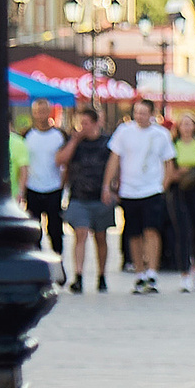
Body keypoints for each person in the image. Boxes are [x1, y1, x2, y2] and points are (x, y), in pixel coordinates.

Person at [109, 97, 174, 296]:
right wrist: (109, 184)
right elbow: (114, 158)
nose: (139, 116)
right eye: (137, 112)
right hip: (129, 190)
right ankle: (139, 272)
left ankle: (152, 271)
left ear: (152, 114)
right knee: (134, 233)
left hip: (152, 189)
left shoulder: (161, 135)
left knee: (152, 230)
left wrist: (163, 186)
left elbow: (169, 162)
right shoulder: (124, 132)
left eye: (143, 113)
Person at [57, 108, 117, 293]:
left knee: (101, 237)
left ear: (96, 123)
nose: (82, 127)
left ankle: (101, 276)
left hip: (101, 197)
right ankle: (79, 275)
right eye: (80, 123)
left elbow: (116, 165)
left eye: (86, 123)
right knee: (80, 234)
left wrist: (114, 188)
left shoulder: (107, 143)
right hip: (78, 196)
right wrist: (74, 140)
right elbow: (60, 160)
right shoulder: (74, 142)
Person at [168, 114, 195, 291]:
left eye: (189, 124)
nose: (186, 128)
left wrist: (190, 172)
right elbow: (170, 171)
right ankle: (184, 272)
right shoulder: (172, 145)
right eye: (182, 124)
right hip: (178, 191)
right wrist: (183, 173)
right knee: (182, 232)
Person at [19, 100, 68, 253]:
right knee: (34, 229)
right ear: (33, 113)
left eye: (43, 111)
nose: (40, 115)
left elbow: (66, 162)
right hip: (33, 187)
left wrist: (63, 183)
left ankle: (58, 262)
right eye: (37, 111)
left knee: (55, 230)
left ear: (49, 112)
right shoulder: (27, 135)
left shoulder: (59, 135)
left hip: (53, 187)